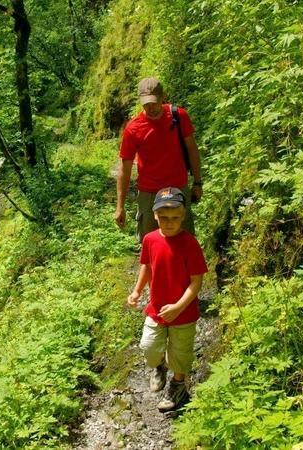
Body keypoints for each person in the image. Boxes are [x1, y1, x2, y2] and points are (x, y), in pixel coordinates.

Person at [127, 187, 208, 412]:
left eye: (174, 217)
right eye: (163, 217)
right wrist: (136, 291)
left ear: (183, 216)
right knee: (148, 346)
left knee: (181, 353)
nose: (169, 222)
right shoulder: (150, 239)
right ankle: (159, 366)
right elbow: (147, 266)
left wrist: (179, 307)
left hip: (185, 312)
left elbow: (196, 282)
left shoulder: (190, 244)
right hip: (156, 308)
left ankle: (178, 386)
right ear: (155, 216)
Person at [115, 77, 203, 242]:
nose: (150, 108)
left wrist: (197, 183)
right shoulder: (133, 128)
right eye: (146, 104)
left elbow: (192, 149)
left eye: (154, 103)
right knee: (150, 244)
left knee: (184, 241)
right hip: (149, 192)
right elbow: (125, 169)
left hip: (178, 187)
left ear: (163, 96)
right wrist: (120, 207)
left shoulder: (179, 116)